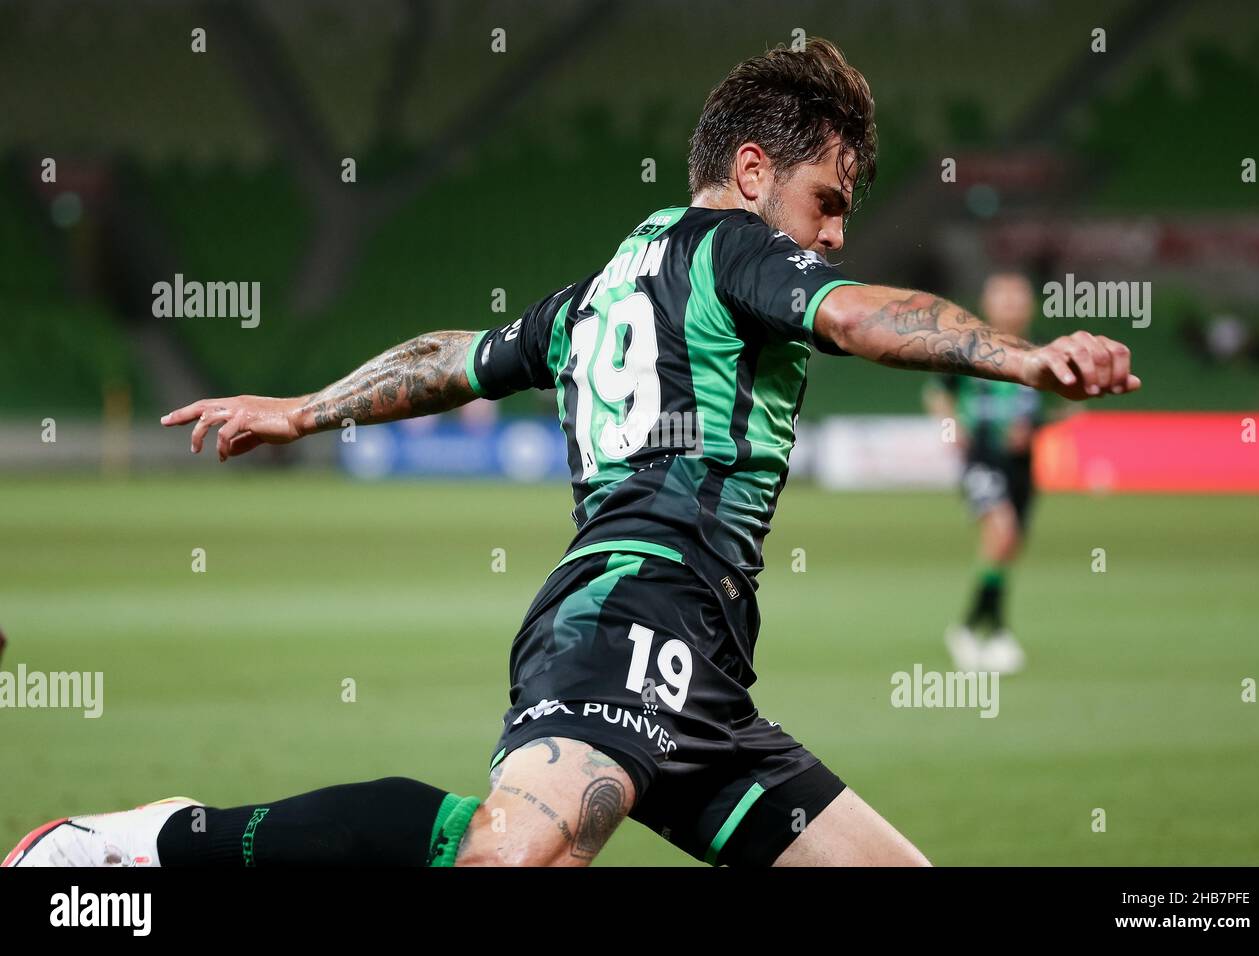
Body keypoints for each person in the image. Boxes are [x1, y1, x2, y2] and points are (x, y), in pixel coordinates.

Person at [6, 39, 1138, 869]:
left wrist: (305, 409)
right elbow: (856, 315)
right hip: (632, 608)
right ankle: (154, 845)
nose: (835, 231)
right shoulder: (733, 246)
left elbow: (460, 354)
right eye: (825, 200)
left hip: (706, 674)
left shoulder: (610, 282)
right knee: (511, 856)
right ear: (752, 174)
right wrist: (1024, 359)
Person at [924, 273, 1043, 673]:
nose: (1011, 305)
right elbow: (938, 392)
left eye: (1018, 297)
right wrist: (951, 427)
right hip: (982, 458)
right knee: (1002, 532)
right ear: (988, 303)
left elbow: (1066, 406)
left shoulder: (1039, 353)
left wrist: (1038, 425)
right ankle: (966, 629)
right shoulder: (970, 347)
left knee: (1005, 548)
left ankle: (996, 631)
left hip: (1023, 467)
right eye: (1003, 297)